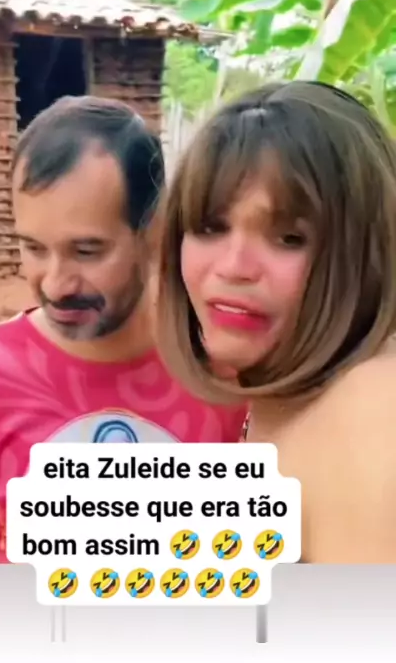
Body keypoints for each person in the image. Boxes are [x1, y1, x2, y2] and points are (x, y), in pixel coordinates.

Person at [0, 96, 247, 564]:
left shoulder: (225, 377)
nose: (56, 284)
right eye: (34, 248)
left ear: (154, 232)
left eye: (87, 252)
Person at [157, 81, 396, 563]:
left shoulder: (374, 409)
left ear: (363, 254)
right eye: (210, 227)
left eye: (288, 238)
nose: (234, 267)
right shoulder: (281, 399)